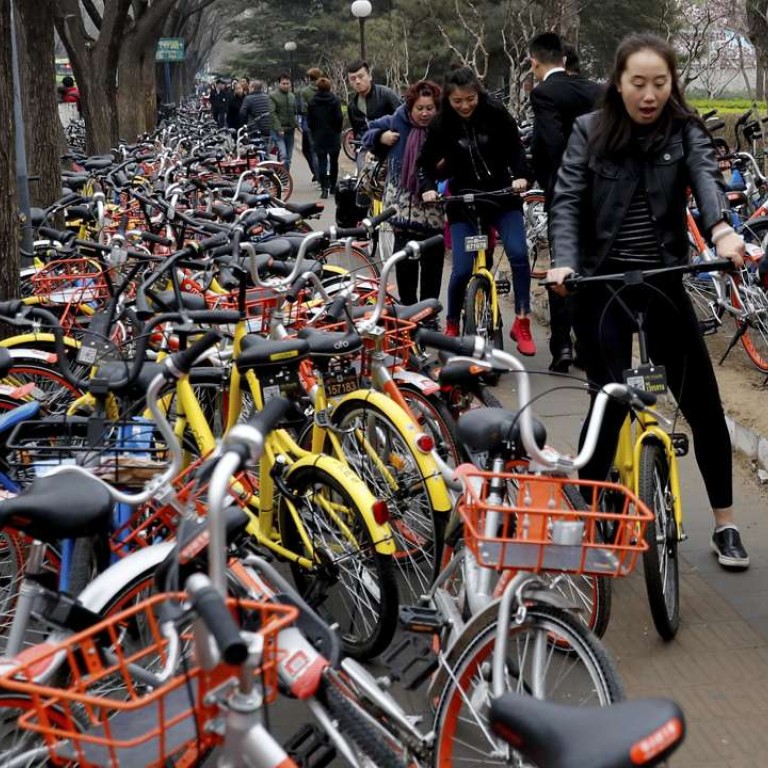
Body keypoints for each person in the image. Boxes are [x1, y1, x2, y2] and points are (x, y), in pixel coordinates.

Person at [546, 33, 749, 569]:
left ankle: (725, 524)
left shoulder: (683, 132)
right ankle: (593, 520)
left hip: (664, 280)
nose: (650, 93)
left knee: (703, 407)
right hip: (600, 288)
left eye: (660, 82)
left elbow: (707, 183)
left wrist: (724, 233)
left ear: (671, 83)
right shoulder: (588, 132)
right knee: (606, 407)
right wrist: (564, 261)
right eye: (639, 82)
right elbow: (566, 200)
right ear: (619, 83)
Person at [418, 66, 535, 352]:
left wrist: (521, 176)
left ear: (478, 94)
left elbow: (516, 150)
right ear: (448, 99)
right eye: (458, 101)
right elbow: (426, 164)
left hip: (501, 196)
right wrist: (428, 187)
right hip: (464, 201)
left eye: (470, 99)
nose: (465, 106)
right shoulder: (441, 123)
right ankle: (452, 322)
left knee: (519, 254)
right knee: (461, 269)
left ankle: (522, 320)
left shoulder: (496, 113)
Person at [529, 32, 602, 373]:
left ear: (535, 62)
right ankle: (590, 347)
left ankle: (562, 347)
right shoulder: (595, 91)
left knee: (563, 269)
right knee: (592, 270)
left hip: (564, 194)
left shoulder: (544, 93)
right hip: (601, 193)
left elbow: (552, 143)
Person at [362, 80, 445, 307]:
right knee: (405, 264)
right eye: (420, 108)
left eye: (430, 108)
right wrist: (381, 136)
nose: (425, 113)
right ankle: (409, 312)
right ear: (410, 107)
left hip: (433, 205)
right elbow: (366, 134)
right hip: (402, 206)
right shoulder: (397, 120)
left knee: (433, 264)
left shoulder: (443, 127)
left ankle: (428, 313)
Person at [346, 60, 401, 140]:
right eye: (353, 79)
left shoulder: (386, 94)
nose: (357, 81)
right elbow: (358, 133)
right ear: (349, 82)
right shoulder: (352, 106)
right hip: (368, 147)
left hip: (393, 144)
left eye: (361, 77)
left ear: (369, 76)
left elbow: (403, 118)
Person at [307, 77, 343, 199]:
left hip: (318, 135)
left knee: (322, 162)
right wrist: (338, 130)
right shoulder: (335, 101)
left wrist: (314, 131)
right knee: (334, 162)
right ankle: (333, 186)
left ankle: (324, 188)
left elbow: (310, 121)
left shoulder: (312, 102)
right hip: (333, 135)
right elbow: (339, 117)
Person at [269, 73, 298, 170]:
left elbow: (294, 112)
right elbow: (272, 113)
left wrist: (296, 125)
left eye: (288, 83)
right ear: (279, 83)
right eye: (283, 83)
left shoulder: (292, 96)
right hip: (278, 130)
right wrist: (279, 128)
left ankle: (284, 176)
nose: (286, 85)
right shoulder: (273, 96)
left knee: (288, 157)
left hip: (290, 129)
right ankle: (283, 176)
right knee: (283, 154)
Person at [299, 67, 323, 181]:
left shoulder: (305, 91)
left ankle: (318, 175)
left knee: (311, 151)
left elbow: (303, 109)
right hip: (323, 122)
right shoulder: (324, 88)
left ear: (309, 78)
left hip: (308, 123)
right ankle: (319, 174)